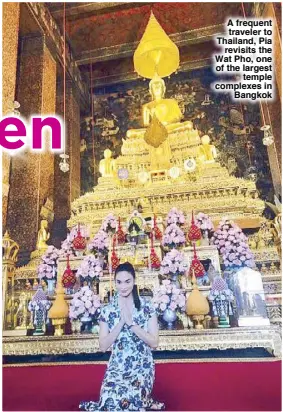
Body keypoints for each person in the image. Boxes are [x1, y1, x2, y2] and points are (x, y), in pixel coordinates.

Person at [79, 262, 164, 411]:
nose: (123, 286)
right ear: (114, 282)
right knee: (109, 398)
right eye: (119, 282)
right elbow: (103, 346)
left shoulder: (146, 306)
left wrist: (132, 324)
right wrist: (121, 323)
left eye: (127, 281)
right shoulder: (107, 310)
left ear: (134, 281)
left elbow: (154, 343)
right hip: (117, 366)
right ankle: (145, 401)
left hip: (141, 365)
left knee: (128, 399)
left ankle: (144, 399)